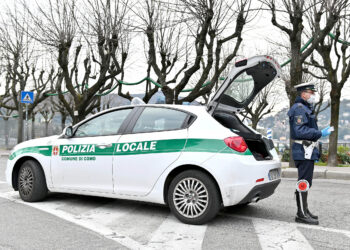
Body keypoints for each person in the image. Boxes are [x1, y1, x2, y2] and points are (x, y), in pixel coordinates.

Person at [287, 82, 333, 225]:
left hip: (307, 150)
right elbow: (300, 131)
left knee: (306, 182)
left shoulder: (305, 108)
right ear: (303, 94)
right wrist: (320, 133)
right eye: (311, 93)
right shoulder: (300, 109)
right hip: (303, 150)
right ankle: (301, 214)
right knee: (303, 182)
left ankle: (304, 210)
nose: (313, 95)